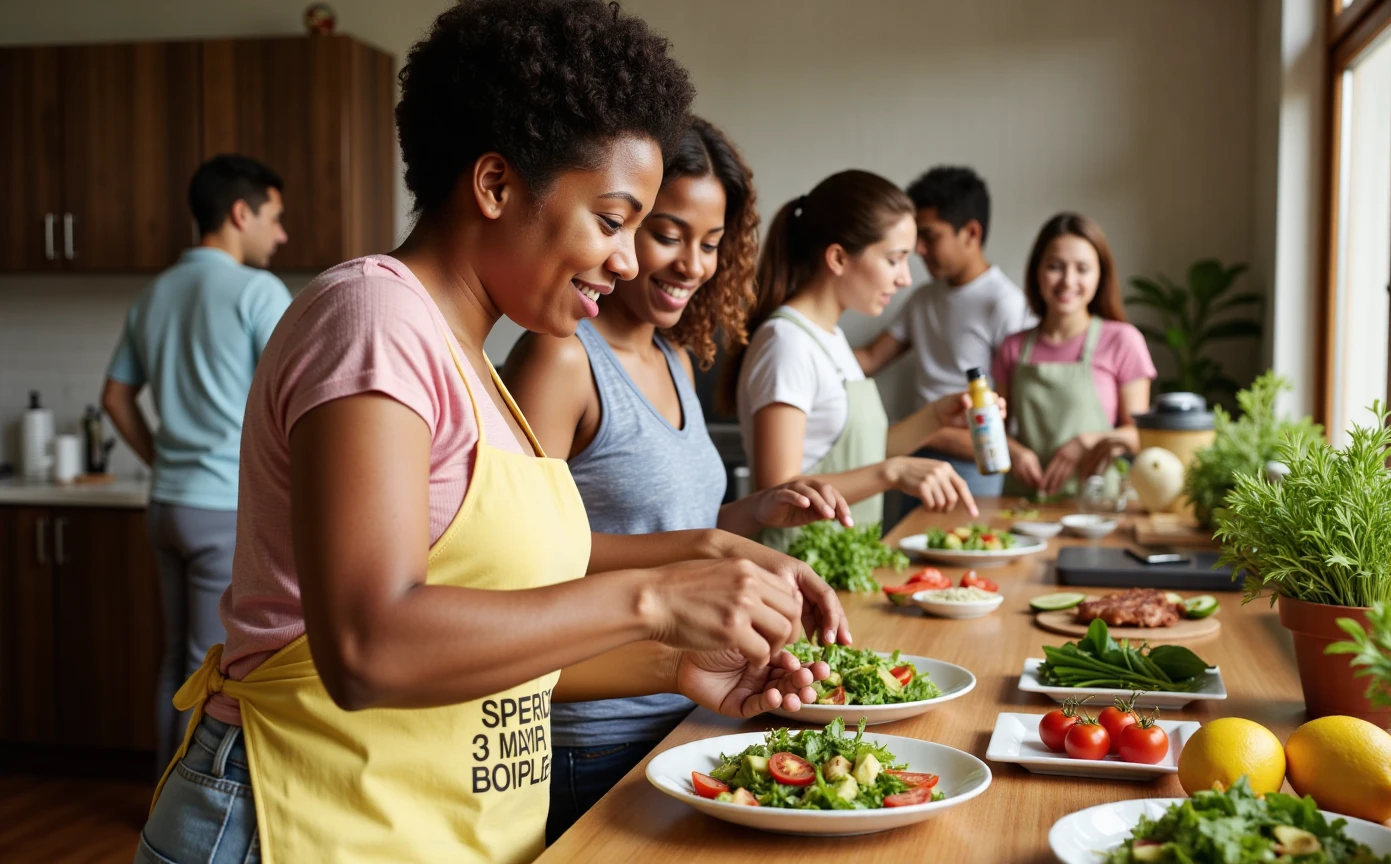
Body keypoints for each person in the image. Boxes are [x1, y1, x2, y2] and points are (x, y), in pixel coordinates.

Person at [134, 4, 844, 863]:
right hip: (293, 820)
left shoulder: (475, 361)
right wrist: (655, 599)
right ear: (497, 185)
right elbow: (369, 646)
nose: (628, 261)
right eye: (614, 220)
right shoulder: (373, 318)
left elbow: (494, 638)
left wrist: (679, 668)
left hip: (420, 825)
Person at [500, 116, 851, 842]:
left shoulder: (676, 359)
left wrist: (750, 514)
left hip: (691, 709)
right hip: (591, 739)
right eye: (668, 233)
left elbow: (657, 531)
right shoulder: (560, 360)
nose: (692, 263)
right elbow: (519, 560)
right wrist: (710, 546)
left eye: (712, 244)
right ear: (620, 231)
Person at [101, 153, 291, 772]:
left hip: (168, 503)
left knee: (177, 659)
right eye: (275, 218)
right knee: (206, 663)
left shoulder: (155, 293)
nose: (281, 235)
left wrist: (164, 459)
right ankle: (183, 812)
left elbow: (116, 398)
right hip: (223, 507)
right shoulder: (257, 291)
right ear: (241, 213)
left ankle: (164, 792)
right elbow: (299, 394)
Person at [722, 169, 987, 550]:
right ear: (838, 258)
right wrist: (892, 473)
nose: (905, 279)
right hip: (794, 575)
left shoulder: (831, 337)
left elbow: (863, 452)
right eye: (895, 259)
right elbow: (778, 494)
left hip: (839, 569)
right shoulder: (787, 344)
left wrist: (937, 416)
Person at [854, 166, 1033, 508]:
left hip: (974, 463)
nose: (918, 249)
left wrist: (932, 430)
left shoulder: (1005, 305)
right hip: (914, 458)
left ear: (971, 233)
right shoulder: (923, 298)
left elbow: (1004, 421)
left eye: (930, 236)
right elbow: (870, 359)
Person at [991, 212, 1155, 498]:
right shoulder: (1013, 347)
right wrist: (1014, 452)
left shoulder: (1123, 341)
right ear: (1036, 272)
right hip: (1024, 503)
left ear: (1100, 276)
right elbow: (993, 432)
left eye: (1083, 269)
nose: (1068, 280)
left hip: (1097, 506)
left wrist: (1088, 441)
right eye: (1055, 267)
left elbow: (1140, 435)